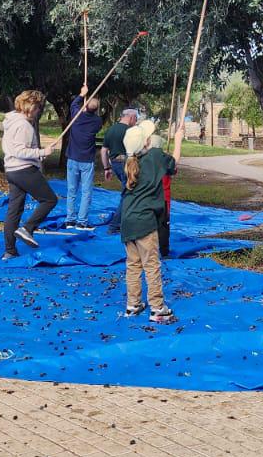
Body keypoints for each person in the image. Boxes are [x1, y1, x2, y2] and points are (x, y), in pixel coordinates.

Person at [118, 119, 180, 323]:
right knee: (151, 265)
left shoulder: (130, 162)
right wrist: (178, 140)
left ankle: (133, 305)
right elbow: (174, 166)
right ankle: (157, 308)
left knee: (133, 265)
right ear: (146, 142)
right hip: (145, 222)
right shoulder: (154, 156)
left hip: (127, 221)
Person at [2, 89, 57, 258]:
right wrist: (41, 152)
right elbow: (20, 151)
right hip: (23, 169)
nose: (39, 111)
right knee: (49, 199)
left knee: (14, 210)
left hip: (11, 169)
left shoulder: (11, 121)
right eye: (38, 108)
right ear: (31, 106)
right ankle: (27, 229)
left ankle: (10, 251)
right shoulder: (23, 125)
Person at [64, 86, 105, 229]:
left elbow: (74, 104)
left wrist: (82, 94)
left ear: (85, 105)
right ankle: (81, 222)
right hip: (87, 160)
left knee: (71, 190)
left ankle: (70, 220)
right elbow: (77, 107)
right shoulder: (97, 121)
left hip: (73, 159)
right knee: (86, 192)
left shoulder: (76, 116)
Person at [102, 107, 139, 234]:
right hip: (127, 164)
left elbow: (103, 151)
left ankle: (123, 223)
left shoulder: (111, 129)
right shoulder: (131, 131)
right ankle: (115, 225)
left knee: (128, 192)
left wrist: (106, 167)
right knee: (128, 194)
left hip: (115, 164)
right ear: (131, 117)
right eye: (136, 118)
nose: (136, 121)